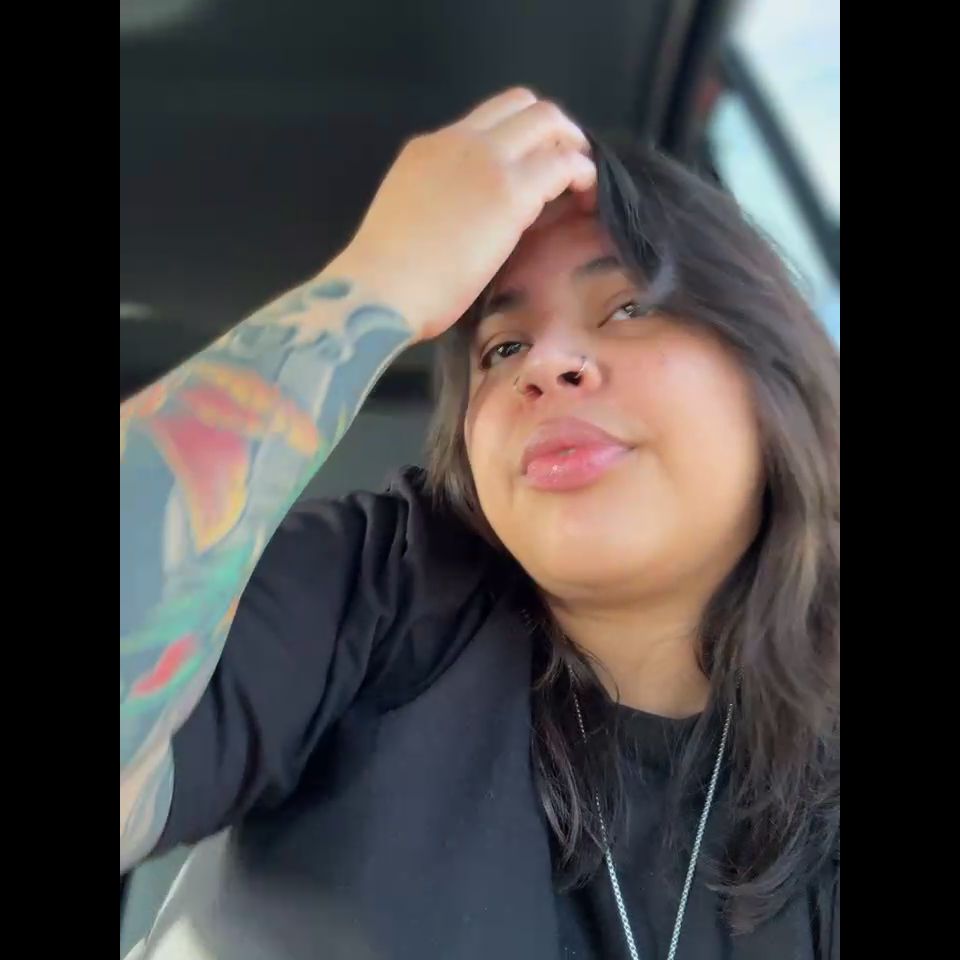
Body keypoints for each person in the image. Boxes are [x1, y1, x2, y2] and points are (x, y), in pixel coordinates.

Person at [120, 87, 839, 959]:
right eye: (503, 348)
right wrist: (377, 285)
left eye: (628, 308)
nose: (546, 364)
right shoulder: (381, 587)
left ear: (772, 374)